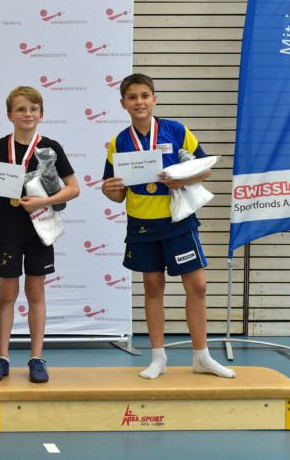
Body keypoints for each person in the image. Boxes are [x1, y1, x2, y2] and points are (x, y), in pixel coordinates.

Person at [101, 73, 234, 379]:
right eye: (132, 97)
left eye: (144, 96)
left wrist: (182, 179)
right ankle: (158, 358)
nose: (139, 102)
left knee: (197, 286)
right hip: (142, 225)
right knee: (152, 287)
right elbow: (118, 194)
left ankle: (202, 357)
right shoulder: (119, 142)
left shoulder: (176, 130)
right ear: (123, 103)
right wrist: (109, 190)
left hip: (178, 221)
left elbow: (205, 169)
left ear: (154, 99)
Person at [0, 86, 80, 383]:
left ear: (41, 114)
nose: (28, 113)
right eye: (21, 109)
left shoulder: (50, 147)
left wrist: (43, 202)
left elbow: (73, 188)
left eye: (33, 109)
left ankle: (36, 358)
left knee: (35, 293)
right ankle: (2, 358)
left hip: (40, 231)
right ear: (9, 115)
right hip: (8, 231)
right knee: (7, 294)